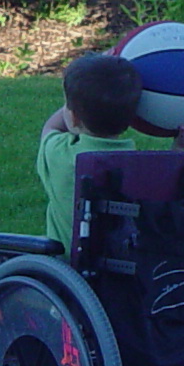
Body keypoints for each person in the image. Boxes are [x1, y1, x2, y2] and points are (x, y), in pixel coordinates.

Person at [33, 53, 147, 244]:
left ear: (75, 117)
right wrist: (179, 146)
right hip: (127, 267)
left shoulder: (60, 154)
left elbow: (50, 127)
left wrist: (77, 97)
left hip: (65, 266)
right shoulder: (148, 166)